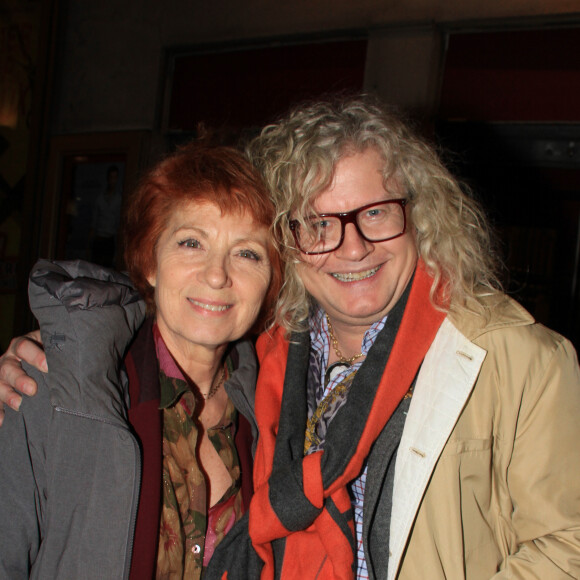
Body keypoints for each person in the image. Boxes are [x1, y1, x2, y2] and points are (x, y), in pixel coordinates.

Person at [3, 96, 580, 579]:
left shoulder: (517, 359)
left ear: (420, 214)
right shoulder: (271, 361)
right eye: (319, 223)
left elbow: (568, 545)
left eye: (376, 212)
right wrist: (66, 345)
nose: (352, 247)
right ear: (293, 248)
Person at [0, 141, 282, 579]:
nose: (216, 274)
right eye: (192, 242)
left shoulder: (278, 412)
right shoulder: (53, 387)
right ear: (150, 261)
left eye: (248, 252)